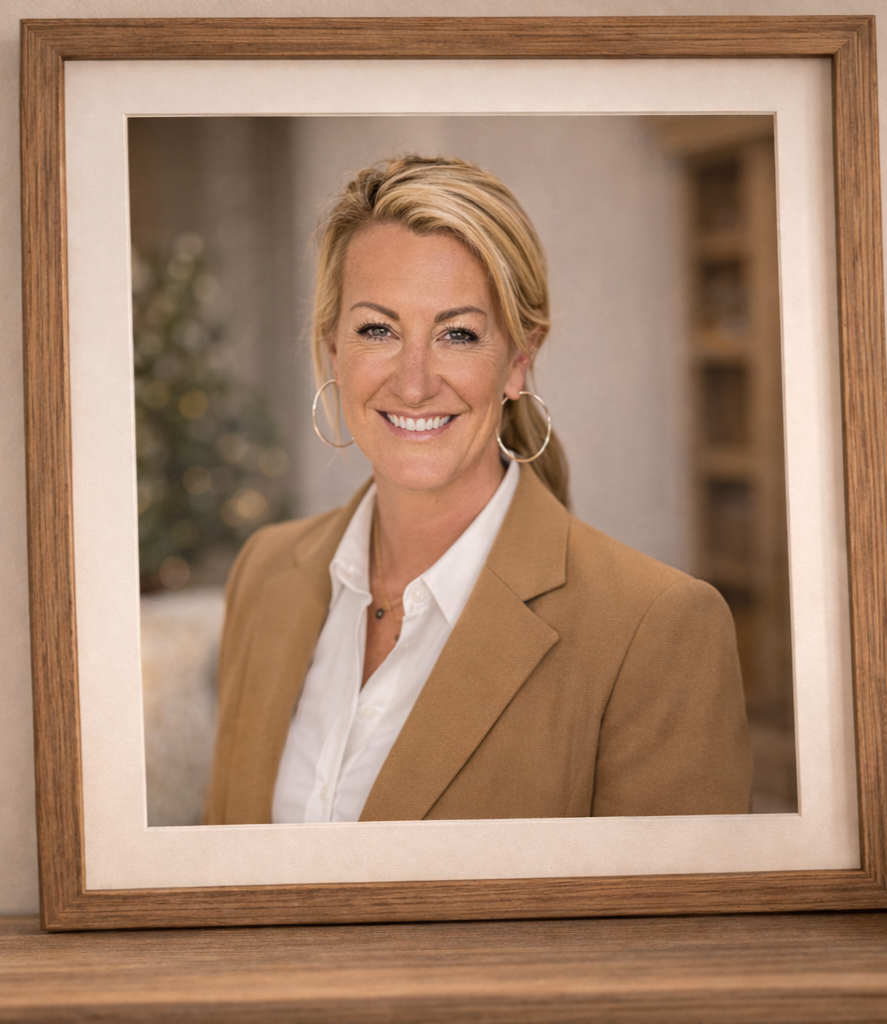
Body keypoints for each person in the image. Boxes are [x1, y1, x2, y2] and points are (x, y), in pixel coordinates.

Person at [202, 156, 752, 824]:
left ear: (518, 362)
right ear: (333, 353)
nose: (412, 382)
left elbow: (666, 930)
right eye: (378, 329)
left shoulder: (657, 629)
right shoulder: (263, 573)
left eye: (457, 334)